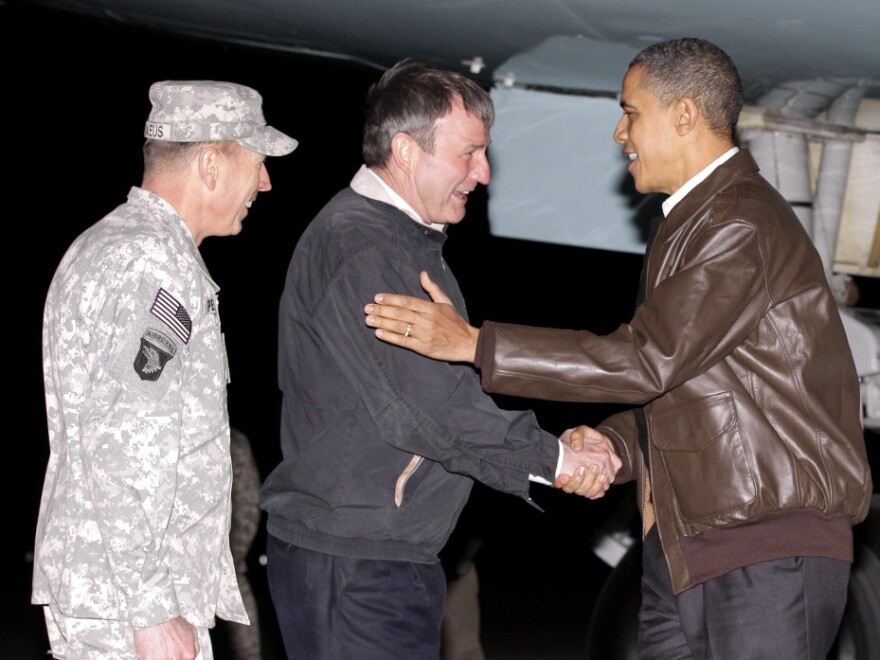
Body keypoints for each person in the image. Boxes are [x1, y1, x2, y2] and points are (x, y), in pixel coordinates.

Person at [363, 39, 873, 659]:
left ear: (684, 116)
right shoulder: (693, 222)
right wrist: (615, 445)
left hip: (763, 547)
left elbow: (646, 360)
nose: (618, 133)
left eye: (631, 112)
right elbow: (685, 385)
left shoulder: (739, 222)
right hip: (693, 546)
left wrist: (476, 344)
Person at [259, 59, 621, 660]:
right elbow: (425, 408)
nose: (482, 173)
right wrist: (555, 459)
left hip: (378, 557)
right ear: (405, 150)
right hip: (356, 564)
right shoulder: (363, 248)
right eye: (469, 153)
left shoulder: (398, 240)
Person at [32, 80, 297, 660]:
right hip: (130, 604)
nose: (265, 182)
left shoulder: (118, 245)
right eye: (256, 163)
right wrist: (152, 607)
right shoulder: (152, 263)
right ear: (209, 163)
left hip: (118, 591)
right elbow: (120, 442)